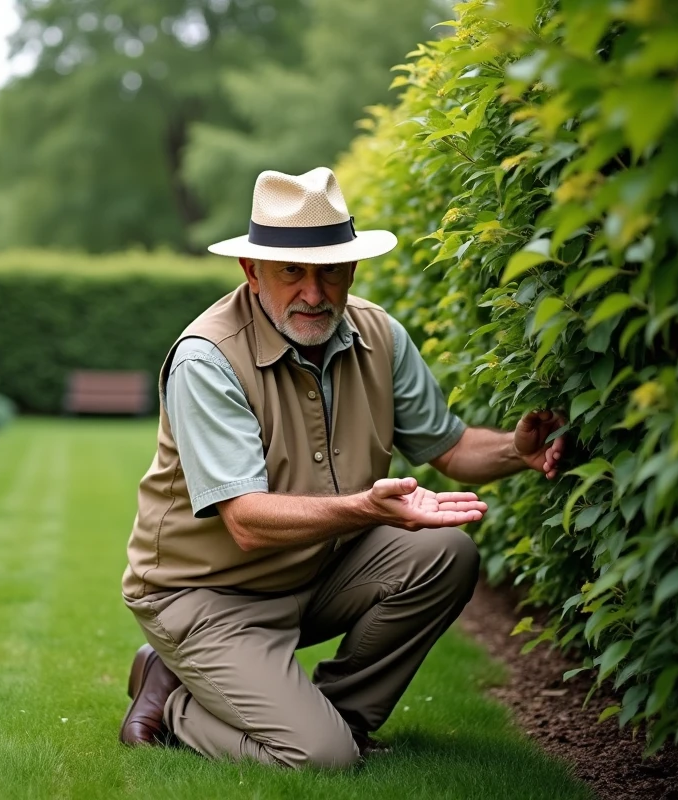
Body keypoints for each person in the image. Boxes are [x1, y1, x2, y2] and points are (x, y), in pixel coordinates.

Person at [118, 167, 566, 769]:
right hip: (204, 594)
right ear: (252, 274)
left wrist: (519, 449)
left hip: (309, 573)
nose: (314, 293)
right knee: (319, 761)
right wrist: (363, 508)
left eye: (329, 271)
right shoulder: (208, 359)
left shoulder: (379, 334)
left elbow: (450, 449)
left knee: (447, 555)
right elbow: (246, 522)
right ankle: (170, 698)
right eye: (291, 273)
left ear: (351, 269)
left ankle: (340, 719)